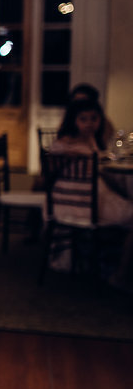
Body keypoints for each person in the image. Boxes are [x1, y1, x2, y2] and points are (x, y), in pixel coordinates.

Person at [48, 98, 133, 286]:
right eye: (83, 119)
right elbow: (50, 170)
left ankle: (109, 260)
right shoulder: (65, 144)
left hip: (88, 196)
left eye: (94, 119)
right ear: (74, 120)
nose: (89, 124)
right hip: (77, 202)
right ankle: (120, 274)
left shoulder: (90, 139)